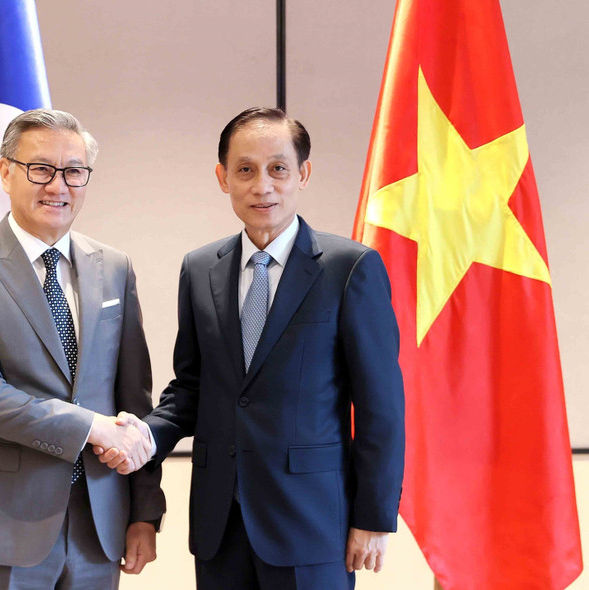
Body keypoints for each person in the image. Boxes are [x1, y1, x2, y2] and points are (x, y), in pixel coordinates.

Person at [97, 107, 405, 589]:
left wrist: (374, 517)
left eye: (278, 168)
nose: (263, 186)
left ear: (303, 174)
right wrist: (146, 437)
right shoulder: (199, 268)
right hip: (220, 523)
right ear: (223, 178)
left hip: (313, 523)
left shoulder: (350, 268)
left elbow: (380, 407)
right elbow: (192, 389)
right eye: (245, 169)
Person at [0, 108, 165, 590]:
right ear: (5, 172)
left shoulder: (114, 267)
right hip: (4, 525)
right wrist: (92, 426)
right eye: (40, 169)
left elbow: (134, 399)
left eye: (74, 171)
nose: (58, 186)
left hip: (100, 525)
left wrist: (144, 512)